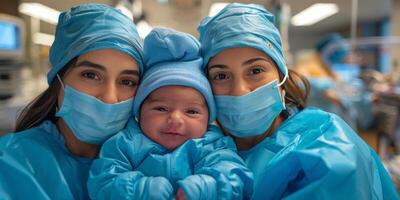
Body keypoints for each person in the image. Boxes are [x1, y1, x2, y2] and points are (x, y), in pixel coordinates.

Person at [198, 3, 399, 200]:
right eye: (221, 76)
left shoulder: (327, 146)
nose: (240, 91)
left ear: (281, 76)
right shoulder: (202, 148)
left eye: (256, 71)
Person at [87, 27, 253, 200]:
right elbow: (103, 181)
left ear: (208, 119)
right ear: (139, 112)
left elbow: (235, 175)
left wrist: (207, 188)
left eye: (191, 111)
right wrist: (142, 190)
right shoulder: (124, 144)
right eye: (161, 108)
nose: (175, 119)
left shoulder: (213, 146)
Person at [0, 4, 143, 199]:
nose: (110, 97)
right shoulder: (12, 163)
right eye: (91, 75)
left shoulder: (149, 162)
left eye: (127, 81)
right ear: (58, 81)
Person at [296, 33, 374, 130]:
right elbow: (301, 84)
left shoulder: (330, 70)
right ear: (324, 52)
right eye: (335, 52)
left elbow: (345, 90)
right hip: (318, 126)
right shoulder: (306, 68)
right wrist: (324, 90)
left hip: (335, 126)